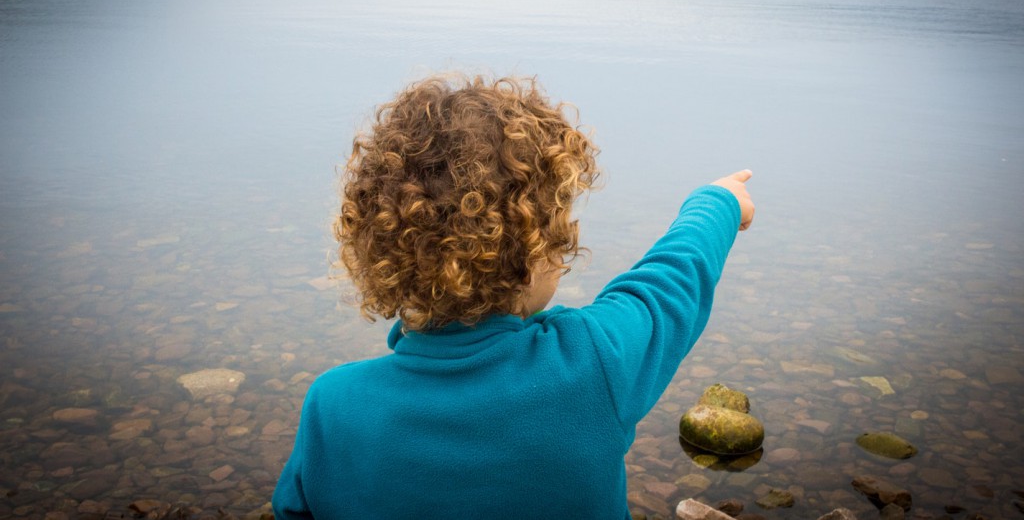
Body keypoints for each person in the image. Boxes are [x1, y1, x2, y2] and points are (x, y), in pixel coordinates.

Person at [272, 74, 755, 519]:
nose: (567, 243)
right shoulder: (591, 363)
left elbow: (295, 510)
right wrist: (718, 201)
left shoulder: (332, 405)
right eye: (558, 225)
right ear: (528, 252)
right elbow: (671, 282)